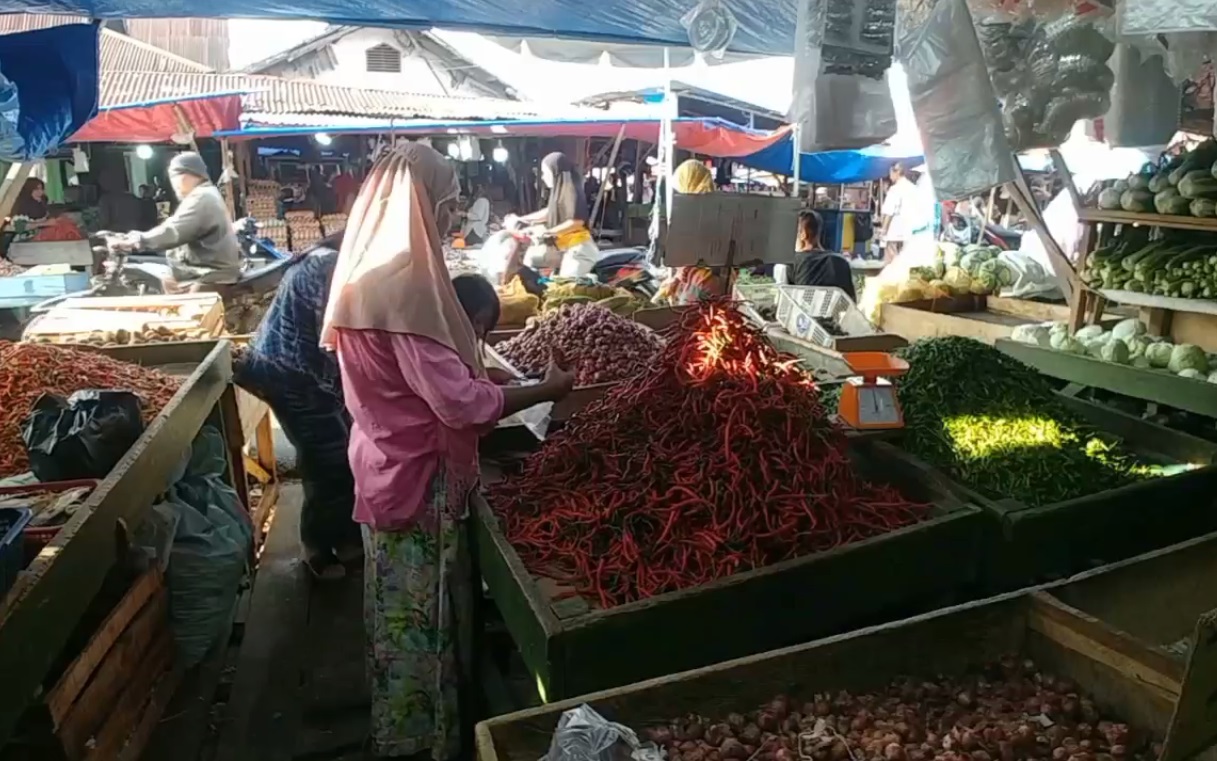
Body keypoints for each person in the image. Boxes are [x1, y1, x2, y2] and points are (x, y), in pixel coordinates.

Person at [320, 143, 574, 760]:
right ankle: (425, 741)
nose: (448, 216)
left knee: (396, 608)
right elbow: (457, 404)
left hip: (384, 459)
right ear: (418, 202)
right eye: (445, 203)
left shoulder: (364, 275)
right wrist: (545, 389)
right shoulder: (403, 286)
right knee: (422, 616)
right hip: (419, 475)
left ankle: (401, 725)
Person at [234, 230, 362, 580]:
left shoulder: (331, 259)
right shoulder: (330, 266)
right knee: (329, 459)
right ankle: (317, 546)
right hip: (290, 374)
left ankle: (347, 537)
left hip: (306, 374)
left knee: (344, 452)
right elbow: (338, 335)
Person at [121, 152, 242, 289]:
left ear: (187, 175)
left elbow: (174, 231)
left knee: (158, 285)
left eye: (174, 176)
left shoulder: (202, 197)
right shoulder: (206, 193)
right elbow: (173, 224)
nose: (173, 183)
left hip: (209, 275)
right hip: (209, 270)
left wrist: (140, 239)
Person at [506, 151, 601, 277]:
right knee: (530, 261)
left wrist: (548, 233)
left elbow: (576, 222)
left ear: (555, 172)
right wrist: (522, 219)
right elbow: (550, 212)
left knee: (565, 288)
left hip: (579, 251)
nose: (543, 177)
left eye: (545, 173)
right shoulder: (560, 191)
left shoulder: (570, 190)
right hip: (564, 249)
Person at [654, 159, 729, 305]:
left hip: (702, 284)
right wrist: (677, 278)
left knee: (693, 324)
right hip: (715, 282)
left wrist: (678, 278)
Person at [789, 209, 857, 300]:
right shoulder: (840, 261)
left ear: (803, 234)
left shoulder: (794, 262)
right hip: (835, 313)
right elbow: (851, 299)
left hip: (802, 313)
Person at [879, 163, 922, 263]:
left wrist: (883, 230)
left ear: (897, 172)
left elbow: (889, 212)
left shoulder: (895, 189)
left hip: (894, 232)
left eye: (890, 173)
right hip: (910, 232)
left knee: (892, 262)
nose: (890, 176)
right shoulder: (914, 188)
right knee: (906, 262)